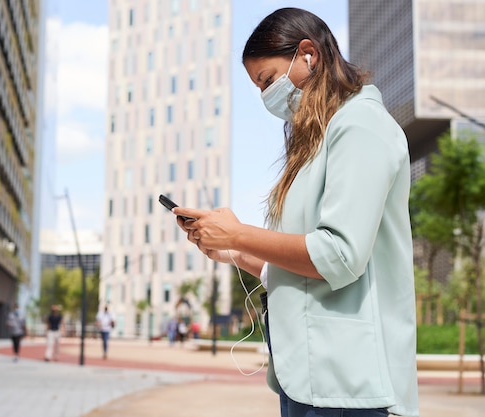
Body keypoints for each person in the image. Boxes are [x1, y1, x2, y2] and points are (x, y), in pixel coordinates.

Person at [173, 8, 419, 417]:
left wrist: (238, 234)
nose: (267, 95)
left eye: (268, 80)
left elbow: (338, 256)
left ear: (308, 54)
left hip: (352, 388)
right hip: (311, 380)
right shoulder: (318, 142)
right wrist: (232, 252)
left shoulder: (360, 127)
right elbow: (302, 268)